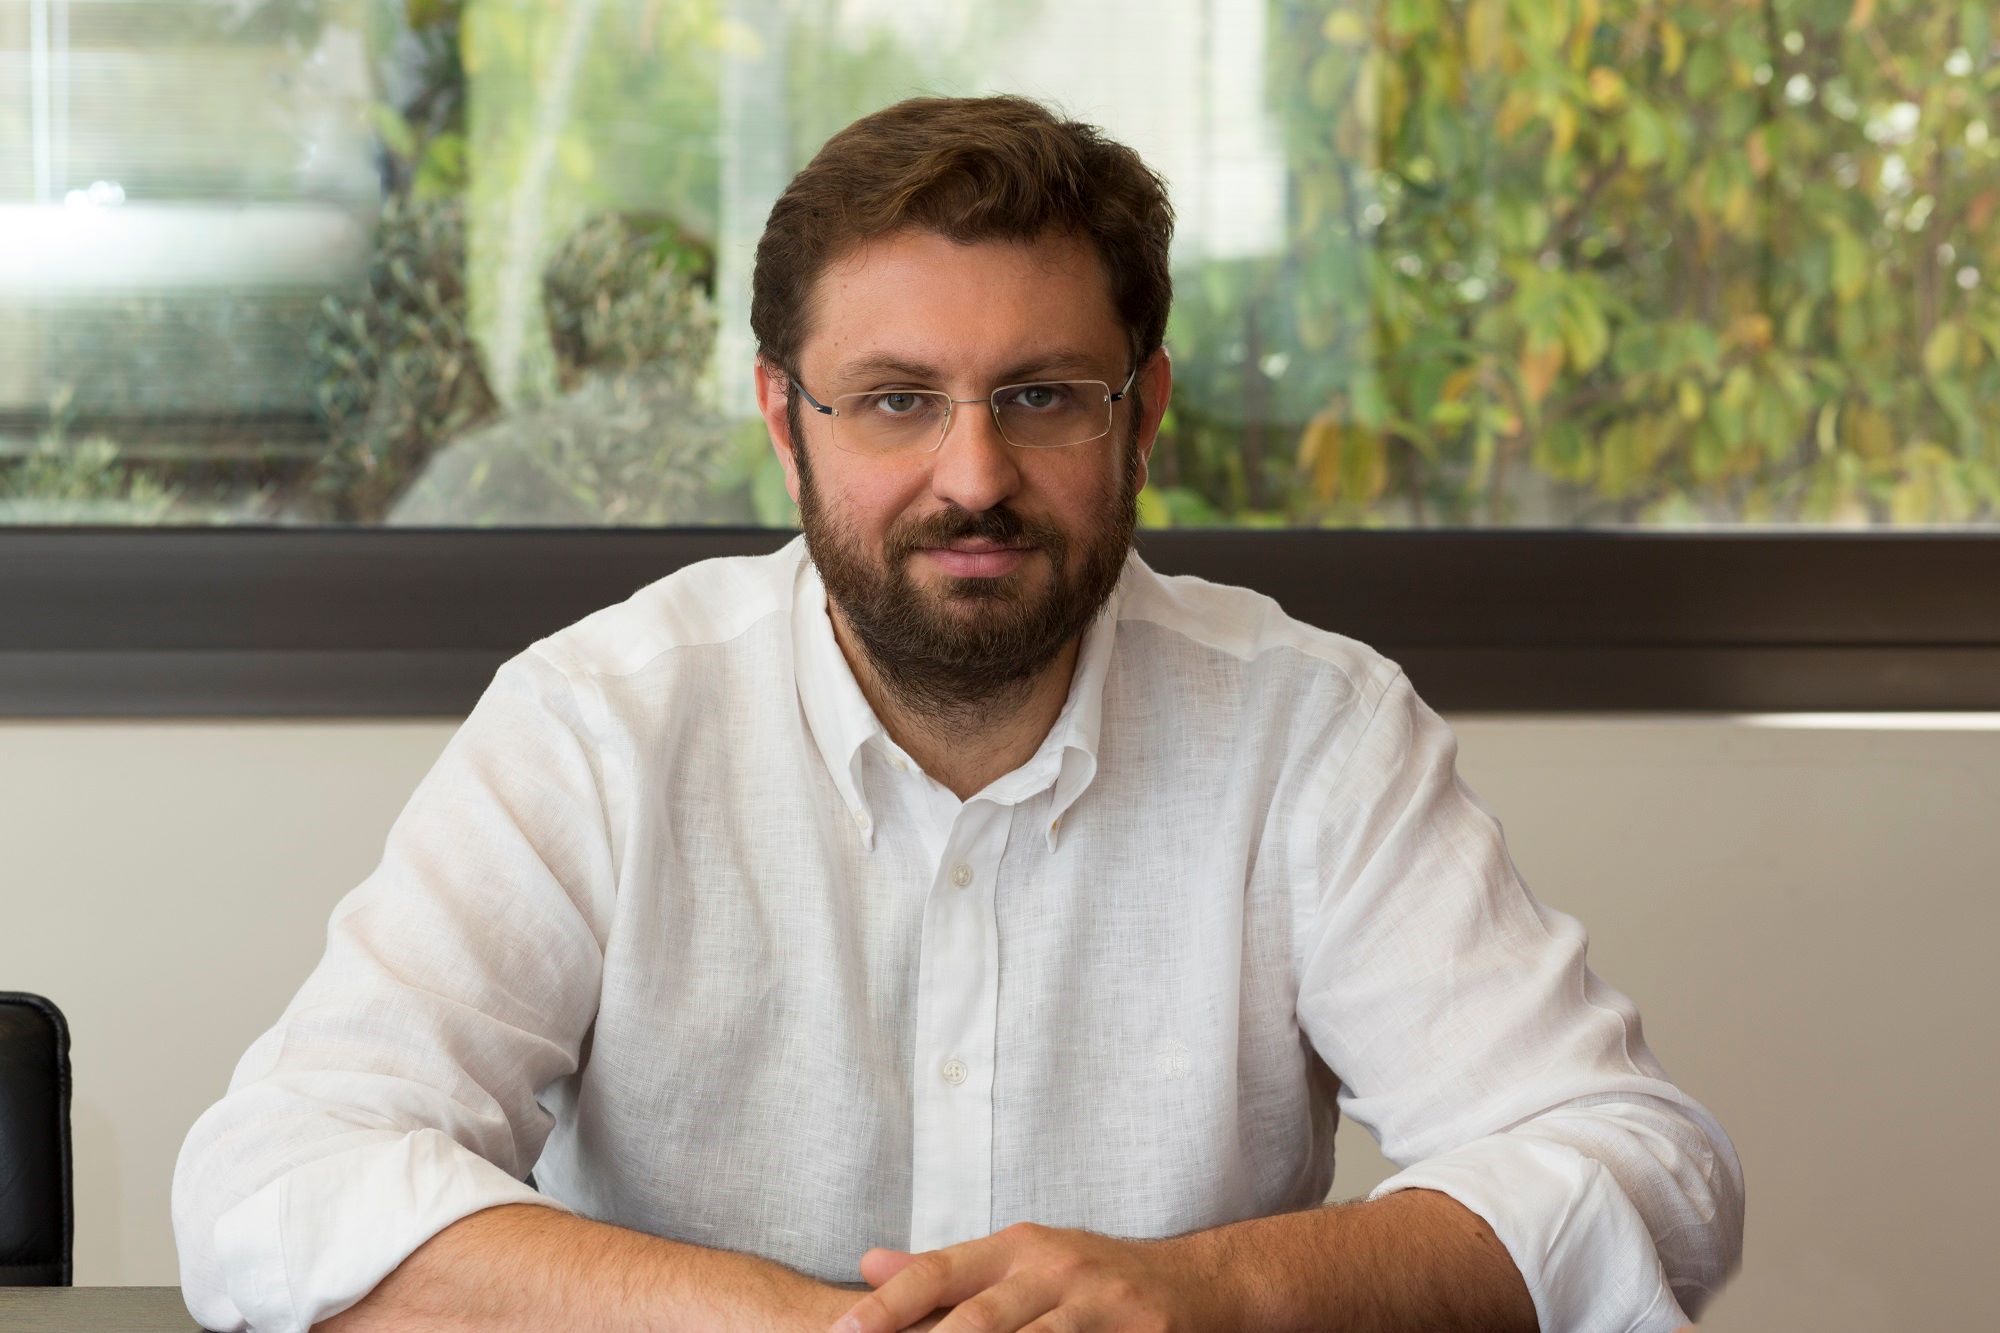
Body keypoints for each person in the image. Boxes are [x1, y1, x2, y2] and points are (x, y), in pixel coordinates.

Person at [173, 95, 1743, 1333]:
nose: (974, 475)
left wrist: (1212, 1292)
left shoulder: (1314, 732)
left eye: (1043, 395)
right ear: (786, 420)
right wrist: (798, 1327)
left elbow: (1640, 1168)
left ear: (1144, 417)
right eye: (898, 399)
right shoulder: (599, 725)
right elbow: (277, 1178)